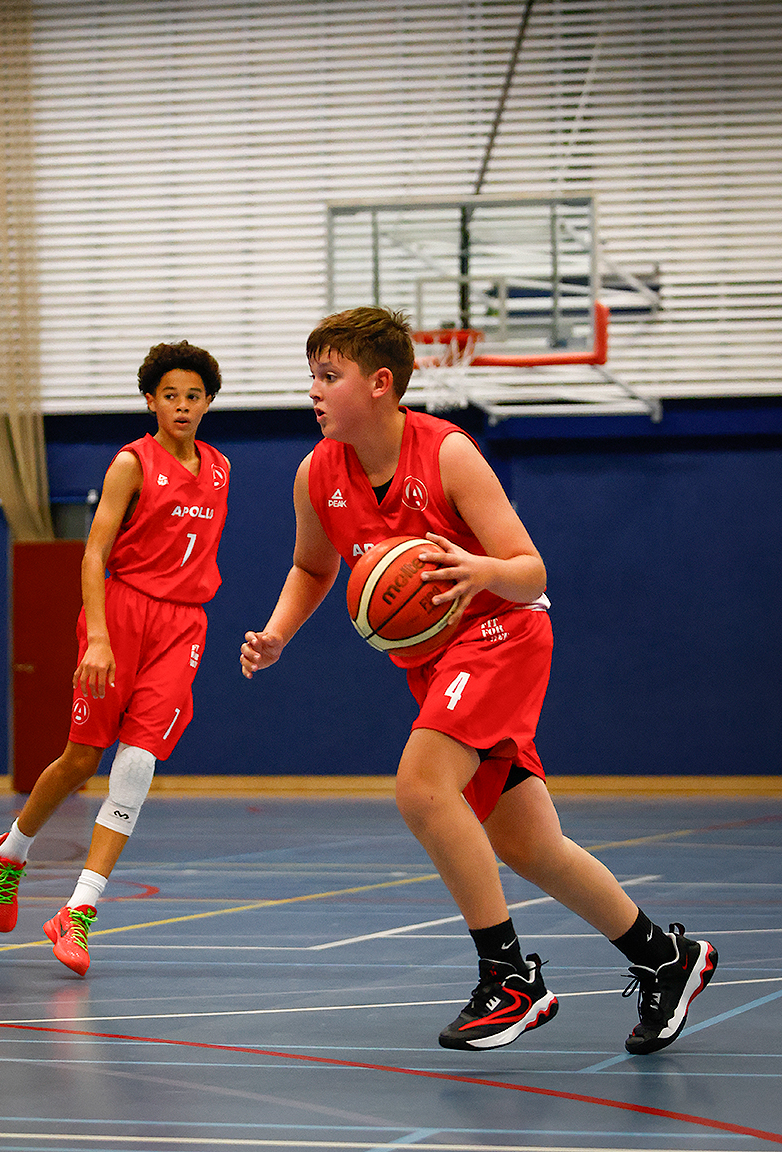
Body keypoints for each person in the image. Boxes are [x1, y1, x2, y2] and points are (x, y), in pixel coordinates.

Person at [240, 307, 717, 1054]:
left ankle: (509, 978)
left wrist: (479, 569)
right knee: (529, 845)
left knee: (422, 785)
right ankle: (666, 958)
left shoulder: (448, 454)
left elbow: (531, 572)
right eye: (313, 376)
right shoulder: (316, 473)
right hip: (437, 664)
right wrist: (277, 634)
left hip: (503, 636)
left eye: (330, 375)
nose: (314, 390)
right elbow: (311, 567)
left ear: (380, 383)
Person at [0, 341, 229, 976]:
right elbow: (93, 554)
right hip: (120, 615)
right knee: (81, 759)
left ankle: (79, 911)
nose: (181, 406)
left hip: (184, 626)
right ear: (151, 401)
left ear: (207, 402)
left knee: (137, 763)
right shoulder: (131, 464)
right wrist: (96, 637)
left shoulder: (221, 469)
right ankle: (10, 853)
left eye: (193, 396)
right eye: (169, 395)